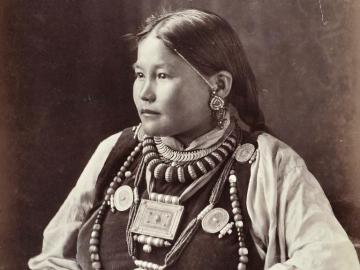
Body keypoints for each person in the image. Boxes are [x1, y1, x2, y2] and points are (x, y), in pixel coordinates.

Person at [28, 8, 359, 270]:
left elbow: (332, 260)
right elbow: (54, 259)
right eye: (140, 74)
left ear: (219, 86)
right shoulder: (115, 152)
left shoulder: (269, 163)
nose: (144, 92)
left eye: (162, 75)